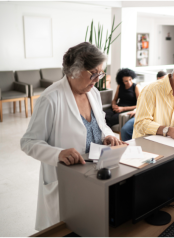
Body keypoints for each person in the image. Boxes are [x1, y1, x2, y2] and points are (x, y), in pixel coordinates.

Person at [20, 42, 125, 231]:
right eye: (93, 73)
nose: (97, 80)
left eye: (100, 73)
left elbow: (101, 124)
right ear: (73, 71)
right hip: (67, 181)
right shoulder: (50, 98)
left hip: (96, 175)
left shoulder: (93, 93)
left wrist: (108, 135)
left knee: (95, 225)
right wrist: (58, 154)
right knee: (70, 229)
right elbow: (28, 142)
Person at [121, 70, 167, 141]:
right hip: (143, 116)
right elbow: (142, 103)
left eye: (163, 80)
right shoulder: (152, 90)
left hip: (157, 118)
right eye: (159, 80)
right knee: (125, 130)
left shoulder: (170, 93)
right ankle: (130, 149)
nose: (161, 83)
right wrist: (137, 110)